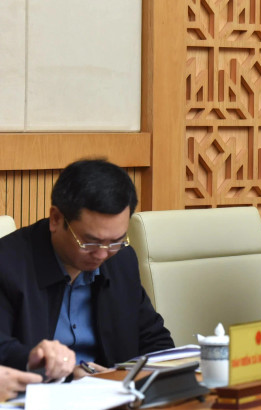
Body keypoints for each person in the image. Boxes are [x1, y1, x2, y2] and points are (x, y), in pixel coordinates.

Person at [0, 159, 174, 376]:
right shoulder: (7, 265)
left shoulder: (121, 259)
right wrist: (65, 374)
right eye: (89, 242)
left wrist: (122, 377)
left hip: (113, 398)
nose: (102, 254)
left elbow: (155, 340)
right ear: (56, 219)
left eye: (115, 241)